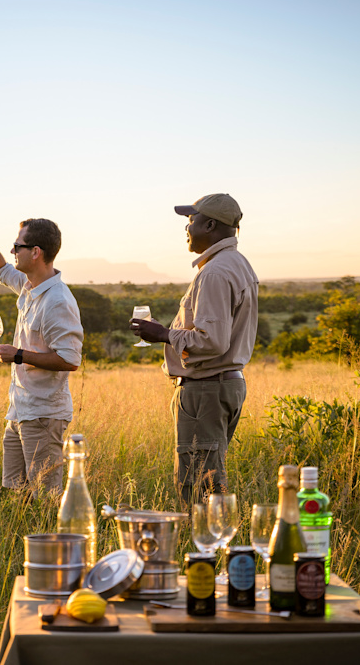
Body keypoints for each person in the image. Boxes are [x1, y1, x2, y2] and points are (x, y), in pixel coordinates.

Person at [130, 193, 258, 505]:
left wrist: (164, 335)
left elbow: (212, 340)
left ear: (210, 224)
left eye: (192, 220)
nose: (187, 227)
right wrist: (170, 333)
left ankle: (205, 549)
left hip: (206, 389)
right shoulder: (237, 264)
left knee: (199, 483)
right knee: (208, 476)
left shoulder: (214, 272)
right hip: (223, 385)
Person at [0, 219, 84, 494]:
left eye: (17, 246)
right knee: (16, 493)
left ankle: (51, 537)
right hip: (19, 410)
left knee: (44, 496)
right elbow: (1, 269)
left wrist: (17, 355)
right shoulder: (29, 286)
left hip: (43, 413)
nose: (13, 251)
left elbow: (70, 360)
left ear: (36, 252)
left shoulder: (57, 301)